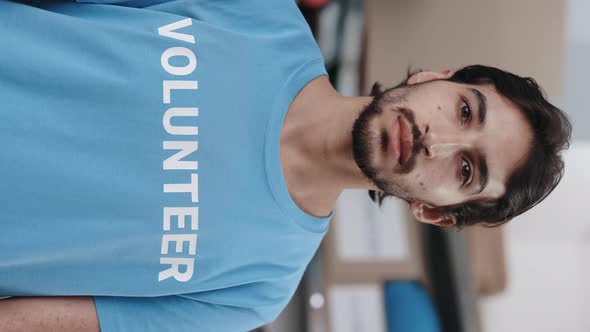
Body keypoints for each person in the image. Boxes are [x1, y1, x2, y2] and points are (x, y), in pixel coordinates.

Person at [0, 0, 571, 331]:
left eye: (466, 171)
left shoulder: (255, 291)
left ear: (436, 213)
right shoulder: (258, 14)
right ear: (434, 77)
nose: (436, 141)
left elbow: (34, 323)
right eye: (465, 109)